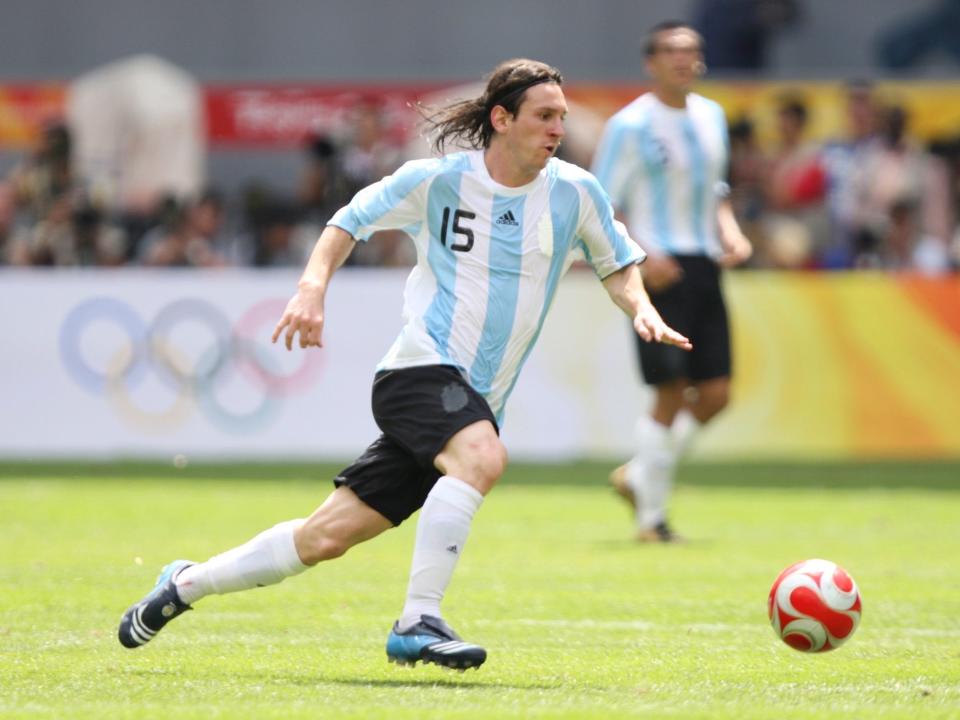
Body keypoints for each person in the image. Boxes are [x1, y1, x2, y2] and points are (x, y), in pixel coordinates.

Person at [117, 58, 690, 670]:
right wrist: (311, 289)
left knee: (324, 538)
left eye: (562, 118)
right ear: (502, 118)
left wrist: (641, 308)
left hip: (474, 400)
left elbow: (616, 263)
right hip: (419, 372)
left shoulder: (577, 193)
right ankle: (418, 620)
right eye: (544, 116)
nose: (557, 129)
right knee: (483, 457)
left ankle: (183, 584)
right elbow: (349, 220)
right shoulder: (437, 180)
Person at [591, 22, 752, 543]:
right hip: (658, 269)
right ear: (651, 62)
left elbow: (717, 188)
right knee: (667, 393)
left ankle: (640, 473)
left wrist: (730, 230)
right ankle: (651, 522)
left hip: (703, 263)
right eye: (672, 52)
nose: (684, 60)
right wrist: (640, 254)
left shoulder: (712, 116)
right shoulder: (631, 125)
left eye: (692, 51)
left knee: (717, 393)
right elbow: (601, 203)